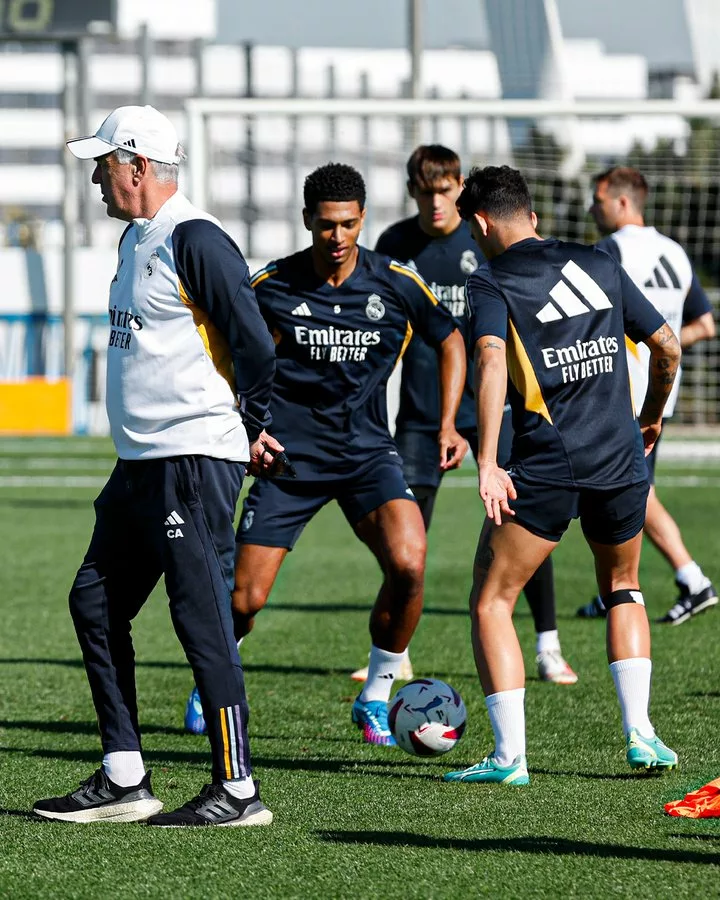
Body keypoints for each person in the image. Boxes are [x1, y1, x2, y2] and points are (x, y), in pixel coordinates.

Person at [33, 105, 282, 827]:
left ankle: (238, 790)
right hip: (140, 464)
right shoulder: (135, 242)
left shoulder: (195, 238)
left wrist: (250, 427)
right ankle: (124, 776)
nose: (95, 177)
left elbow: (256, 347)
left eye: (103, 162)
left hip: (191, 462)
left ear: (138, 166)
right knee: (94, 602)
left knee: (200, 616)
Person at [184, 162, 468, 746]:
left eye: (348, 225)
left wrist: (449, 422)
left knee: (411, 563)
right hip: (289, 460)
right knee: (245, 598)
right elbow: (220, 342)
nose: (337, 238)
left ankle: (376, 696)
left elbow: (452, 339)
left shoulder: (395, 281)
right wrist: (244, 422)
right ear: (307, 219)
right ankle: (212, 680)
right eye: (325, 226)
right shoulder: (272, 285)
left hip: (367, 454)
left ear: (362, 220)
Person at [442, 166, 681, 786]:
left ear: (480, 223)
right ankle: (642, 734)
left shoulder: (491, 281)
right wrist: (650, 417)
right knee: (624, 586)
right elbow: (668, 345)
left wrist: (490, 460)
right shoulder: (599, 260)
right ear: (535, 217)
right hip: (621, 457)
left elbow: (490, 364)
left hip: (548, 463)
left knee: (492, 599)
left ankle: (508, 758)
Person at [350, 144, 576, 686]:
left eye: (446, 189)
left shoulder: (486, 242)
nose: (435, 201)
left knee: (523, 522)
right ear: (412, 191)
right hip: (423, 413)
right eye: (425, 190)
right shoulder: (394, 245)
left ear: (460, 192)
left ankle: (548, 646)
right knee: (405, 536)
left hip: (499, 406)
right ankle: (396, 649)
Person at [578, 166, 717, 625]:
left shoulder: (610, 251)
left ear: (621, 202)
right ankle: (618, 590)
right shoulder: (675, 252)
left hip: (622, 394)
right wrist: (661, 341)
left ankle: (690, 579)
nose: (591, 208)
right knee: (629, 490)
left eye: (598, 199)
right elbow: (704, 325)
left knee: (632, 492)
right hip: (663, 393)